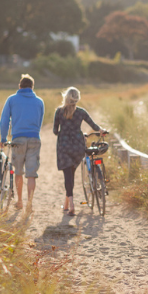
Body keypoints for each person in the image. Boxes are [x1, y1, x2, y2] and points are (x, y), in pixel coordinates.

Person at [53, 87, 105, 216]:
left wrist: (63, 133)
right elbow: (94, 126)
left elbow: (55, 131)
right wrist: (101, 130)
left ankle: (71, 206)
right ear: (77, 98)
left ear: (65, 97)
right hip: (78, 146)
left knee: (68, 176)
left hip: (64, 147)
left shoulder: (59, 112)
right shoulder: (81, 112)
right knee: (71, 174)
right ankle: (66, 205)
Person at [0, 74, 44, 212]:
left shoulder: (11, 99)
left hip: (18, 139)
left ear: (19, 86)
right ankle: (29, 204)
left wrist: (3, 138)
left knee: (18, 172)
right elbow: (39, 121)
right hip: (34, 138)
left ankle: (19, 201)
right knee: (31, 174)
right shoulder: (39, 101)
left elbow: (4, 121)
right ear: (32, 87)